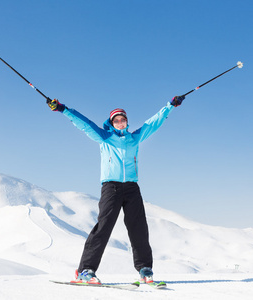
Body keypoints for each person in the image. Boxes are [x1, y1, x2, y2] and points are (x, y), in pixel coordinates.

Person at [47, 95, 185, 284]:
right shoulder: (105, 138)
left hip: (131, 187)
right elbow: (85, 124)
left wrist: (170, 106)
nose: (120, 122)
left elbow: (153, 123)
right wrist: (63, 109)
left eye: (123, 119)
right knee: (103, 226)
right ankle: (86, 270)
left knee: (139, 228)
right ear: (112, 123)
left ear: (126, 122)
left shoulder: (134, 138)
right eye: (116, 120)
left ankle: (145, 269)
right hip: (110, 187)